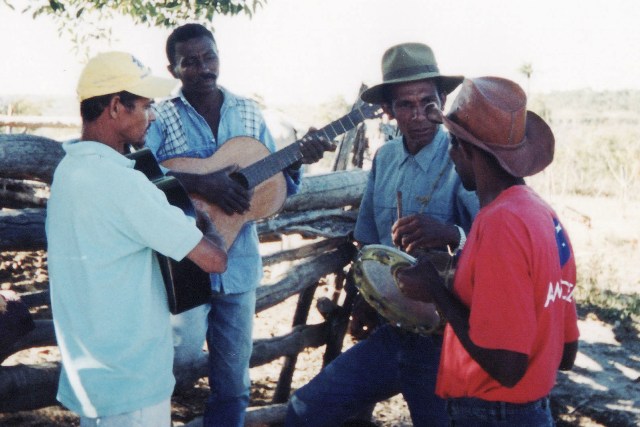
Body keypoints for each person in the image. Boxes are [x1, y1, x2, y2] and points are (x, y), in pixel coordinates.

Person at [145, 23, 334, 427]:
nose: (203, 68)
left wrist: (295, 160)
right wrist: (201, 183)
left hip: (239, 267)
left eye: (209, 57)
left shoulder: (248, 111)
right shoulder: (159, 116)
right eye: (189, 62)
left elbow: (270, 184)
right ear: (173, 68)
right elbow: (141, 177)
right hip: (182, 266)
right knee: (166, 368)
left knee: (233, 384)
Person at [286, 42, 479, 427]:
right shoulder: (385, 158)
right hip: (395, 331)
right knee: (306, 410)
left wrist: (449, 233)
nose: (419, 115)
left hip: (447, 337)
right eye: (405, 104)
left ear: (444, 100)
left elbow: (494, 243)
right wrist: (363, 304)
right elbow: (369, 242)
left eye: (429, 102)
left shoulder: (463, 157)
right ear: (389, 110)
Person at [46, 51, 228, 427]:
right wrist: (206, 224)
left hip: (93, 378)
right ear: (115, 106)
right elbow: (214, 260)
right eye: (145, 105)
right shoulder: (123, 183)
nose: (153, 115)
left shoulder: (69, 171)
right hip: (133, 385)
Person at [397, 76, 580, 426]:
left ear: (463, 149)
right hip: (532, 410)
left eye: (452, 146)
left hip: (493, 413)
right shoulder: (542, 215)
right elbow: (566, 352)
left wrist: (434, 288)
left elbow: (506, 367)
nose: (450, 156)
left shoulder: (499, 223)